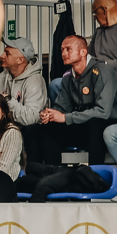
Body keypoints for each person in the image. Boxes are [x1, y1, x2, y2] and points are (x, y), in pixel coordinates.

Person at [25, 35, 117, 165]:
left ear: (83, 52)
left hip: (106, 124)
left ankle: (94, 174)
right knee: (41, 129)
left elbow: (103, 112)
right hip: (83, 125)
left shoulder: (103, 71)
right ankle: (51, 172)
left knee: (95, 123)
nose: (63, 53)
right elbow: (62, 108)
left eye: (68, 49)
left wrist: (66, 117)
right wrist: (50, 114)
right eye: (62, 50)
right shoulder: (68, 77)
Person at [0, 36, 47, 127]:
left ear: (20, 60)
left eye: (7, 53)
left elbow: (31, 118)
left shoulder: (35, 80)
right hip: (4, 128)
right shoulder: (2, 77)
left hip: (27, 131)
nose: (2, 56)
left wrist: (7, 101)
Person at [93, 0, 117, 65]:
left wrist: (105, 64)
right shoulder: (98, 32)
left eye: (95, 13)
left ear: (104, 10)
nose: (95, 18)